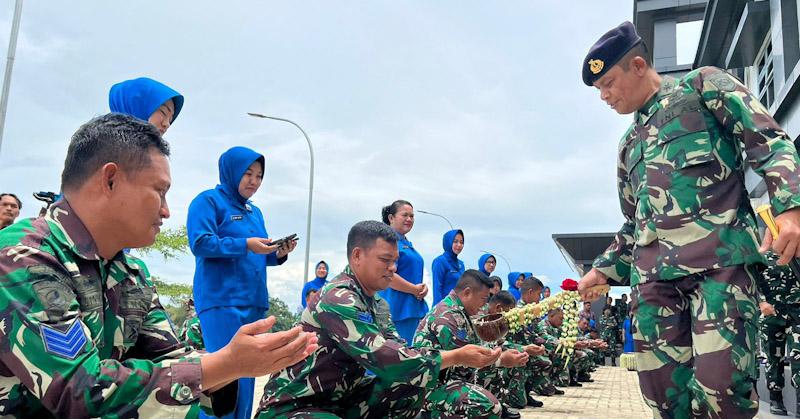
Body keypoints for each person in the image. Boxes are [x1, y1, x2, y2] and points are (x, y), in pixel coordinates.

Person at [0, 113, 317, 417]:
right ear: (110, 180)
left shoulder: (131, 274)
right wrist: (226, 364)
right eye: (159, 192)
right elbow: (82, 391)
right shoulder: (24, 255)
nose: (166, 211)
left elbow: (171, 359)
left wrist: (247, 360)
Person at [577, 21, 800, 418]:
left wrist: (790, 207)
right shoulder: (628, 145)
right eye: (598, 89)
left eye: (608, 83)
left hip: (719, 269)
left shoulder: (702, 88)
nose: (604, 96)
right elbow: (634, 225)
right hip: (653, 287)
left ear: (638, 65)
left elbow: (767, 140)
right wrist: (602, 270)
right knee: (665, 399)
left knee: (722, 393)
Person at [256, 220, 501, 418]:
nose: (393, 267)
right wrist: (456, 356)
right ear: (357, 256)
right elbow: (384, 356)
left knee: (410, 386)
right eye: (385, 260)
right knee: (401, 371)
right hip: (295, 406)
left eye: (395, 261)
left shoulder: (377, 304)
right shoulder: (338, 296)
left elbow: (399, 349)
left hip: (341, 402)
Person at [187, 146, 298, 419]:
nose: (254, 181)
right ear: (232, 171)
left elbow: (259, 253)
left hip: (253, 301)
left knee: (248, 377)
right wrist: (245, 244)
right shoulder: (208, 201)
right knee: (224, 383)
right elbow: (200, 242)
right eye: (248, 173)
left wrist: (278, 253)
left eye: (259, 176)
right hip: (222, 301)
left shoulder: (254, 212)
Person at [414, 270, 529, 419]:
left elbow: (480, 346)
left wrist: (504, 354)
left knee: (492, 373)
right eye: (483, 299)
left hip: (450, 377)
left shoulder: (464, 312)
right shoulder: (447, 316)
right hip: (430, 387)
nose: (485, 304)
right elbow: (467, 361)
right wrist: (501, 360)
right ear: (467, 293)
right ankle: (428, 415)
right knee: (487, 406)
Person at [378, 200, 429, 345]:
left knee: (410, 353)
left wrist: (422, 288)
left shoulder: (405, 243)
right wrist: (414, 289)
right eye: (405, 215)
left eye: (412, 216)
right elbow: (387, 274)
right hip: (396, 310)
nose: (409, 219)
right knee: (397, 353)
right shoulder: (388, 242)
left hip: (411, 308)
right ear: (391, 218)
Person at [756, 252, 800, 415]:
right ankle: (776, 399)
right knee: (773, 357)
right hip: (771, 314)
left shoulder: (797, 254)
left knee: (798, 355)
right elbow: (751, 281)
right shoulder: (762, 256)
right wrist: (761, 302)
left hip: (796, 312)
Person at [109, 76, 184, 135]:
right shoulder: (107, 148)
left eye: (170, 119)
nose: (167, 124)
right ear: (137, 106)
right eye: (163, 112)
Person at [432, 229, 466, 305]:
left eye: (461, 242)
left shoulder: (461, 265)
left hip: (457, 307)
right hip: (444, 307)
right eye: (455, 241)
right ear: (448, 242)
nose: (459, 245)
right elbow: (437, 289)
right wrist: (439, 309)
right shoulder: (440, 261)